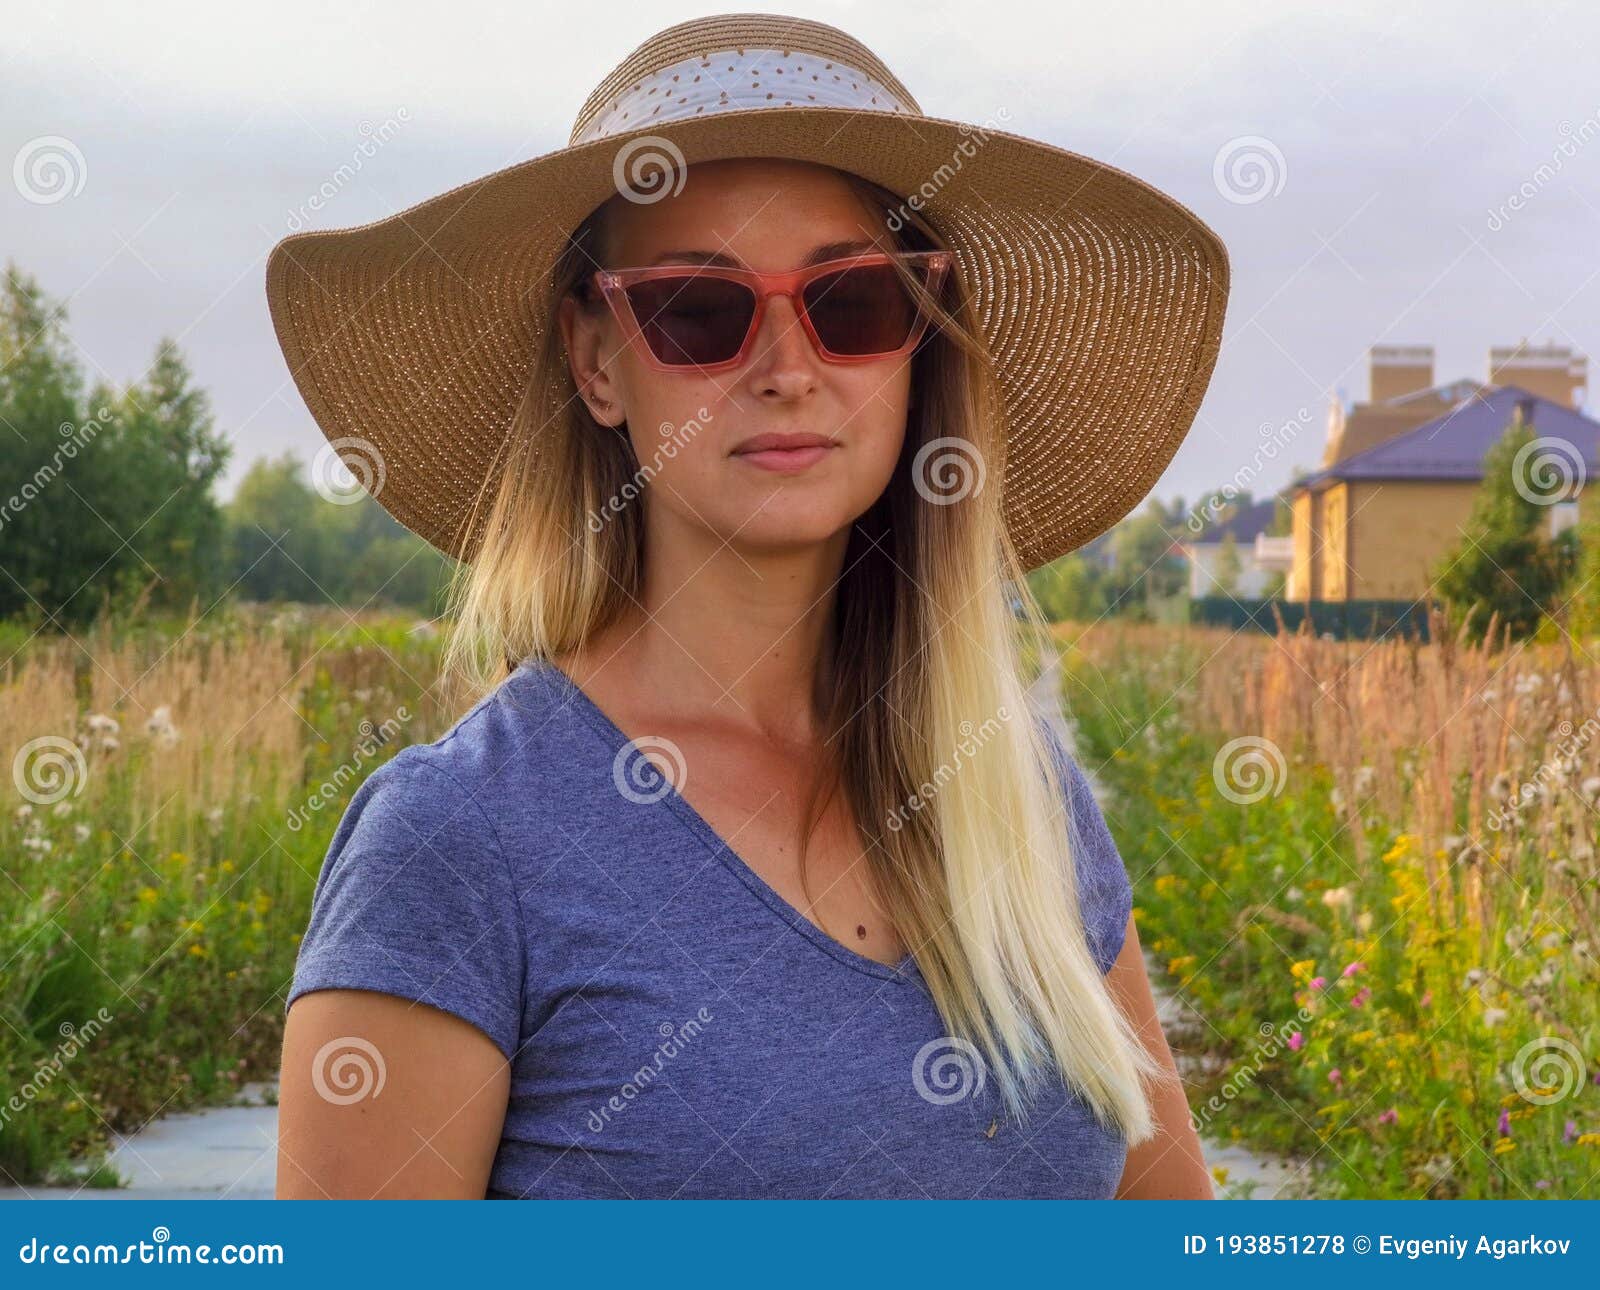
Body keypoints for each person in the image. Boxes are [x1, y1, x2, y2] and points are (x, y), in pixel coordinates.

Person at [268, 12, 1229, 1199]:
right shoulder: (460, 843)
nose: (786, 365)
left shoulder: (1025, 805)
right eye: (697, 310)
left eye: (856, 300)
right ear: (595, 360)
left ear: (917, 347)